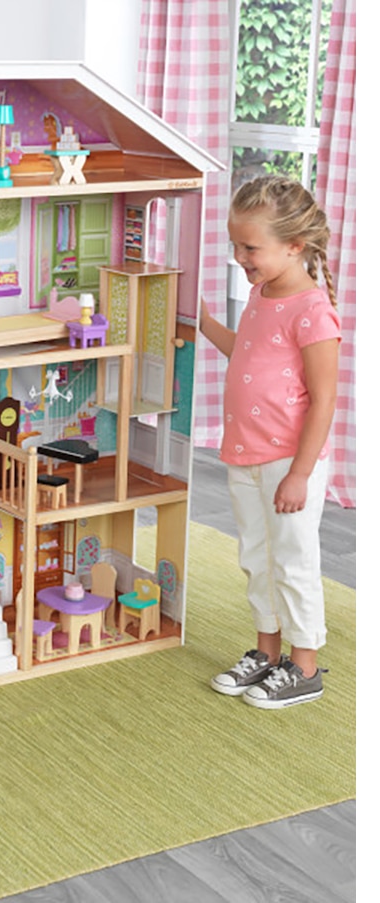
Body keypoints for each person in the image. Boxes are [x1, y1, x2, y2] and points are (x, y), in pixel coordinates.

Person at [199, 174, 341, 709]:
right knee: (256, 557)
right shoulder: (261, 294)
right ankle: (267, 651)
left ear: (294, 245)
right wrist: (204, 324)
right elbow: (248, 352)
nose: (239, 257)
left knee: (293, 560)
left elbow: (323, 399)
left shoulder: (313, 311)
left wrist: (300, 474)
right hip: (246, 452)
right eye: (235, 245)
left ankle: (305, 667)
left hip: (288, 461)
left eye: (250, 248)